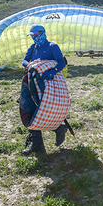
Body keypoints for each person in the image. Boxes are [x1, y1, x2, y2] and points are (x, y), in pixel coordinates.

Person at [20, 24, 67, 155]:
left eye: (36, 35)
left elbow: (61, 62)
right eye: (32, 36)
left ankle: (58, 128)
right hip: (34, 83)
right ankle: (37, 143)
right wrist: (29, 65)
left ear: (43, 33)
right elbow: (24, 60)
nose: (34, 38)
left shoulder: (53, 47)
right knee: (31, 110)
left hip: (50, 84)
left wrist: (53, 70)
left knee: (46, 110)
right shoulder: (33, 47)